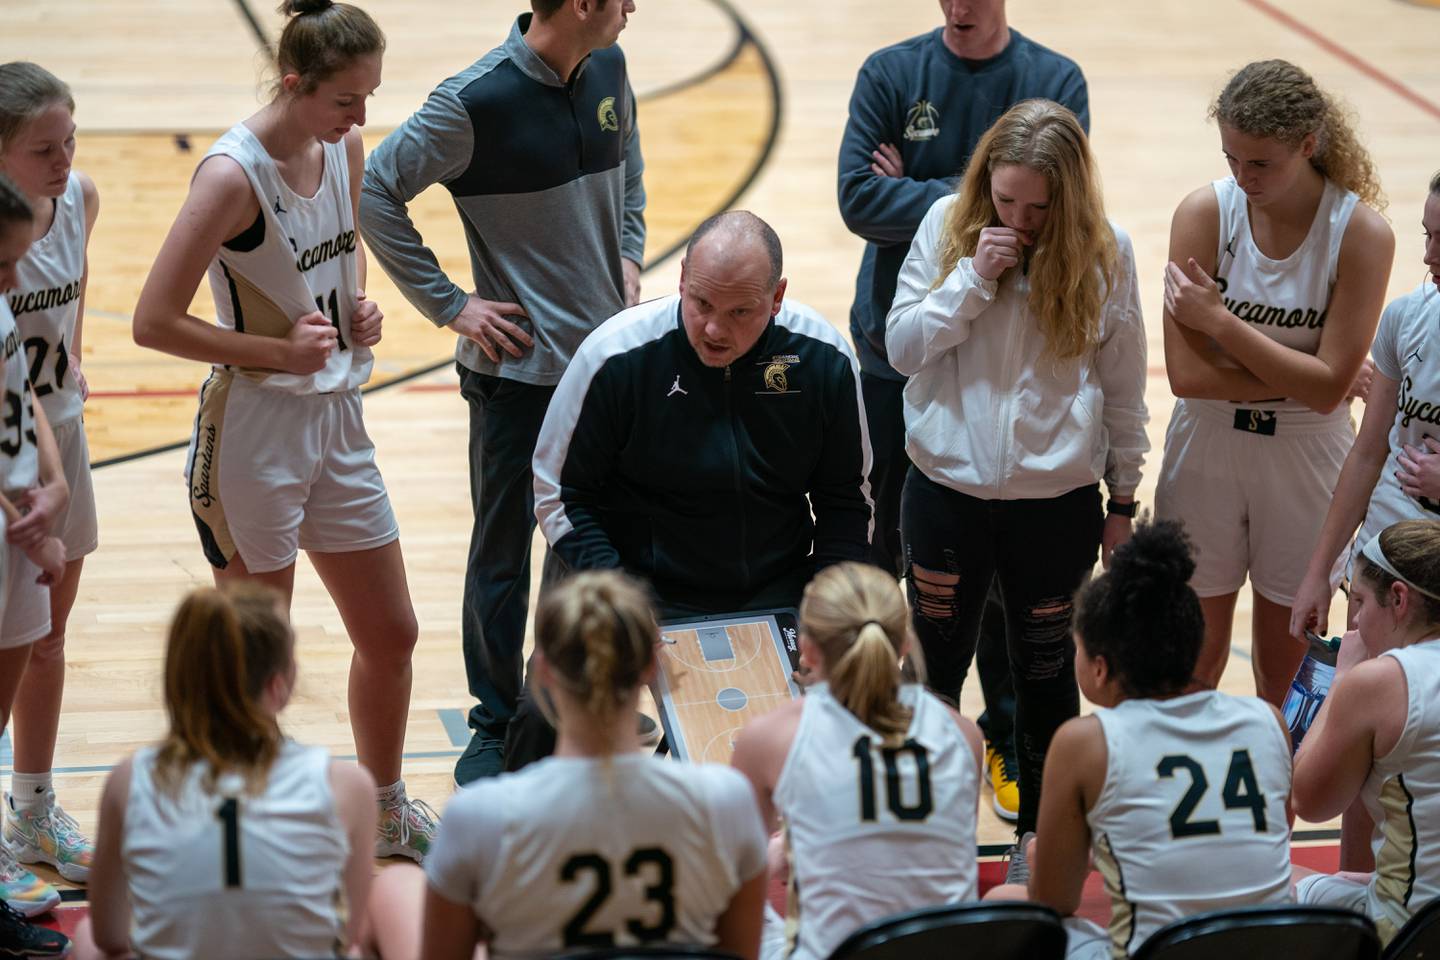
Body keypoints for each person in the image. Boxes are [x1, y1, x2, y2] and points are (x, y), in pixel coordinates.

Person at [131, 0, 433, 860]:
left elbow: (342, 253)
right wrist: (277, 348)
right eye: (346, 98)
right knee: (258, 656)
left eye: (371, 96)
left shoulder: (342, 146)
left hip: (337, 420)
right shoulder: (230, 176)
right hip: (255, 427)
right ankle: (249, 831)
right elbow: (153, 322)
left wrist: (359, 306)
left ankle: (383, 807)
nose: (362, 116)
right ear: (295, 84)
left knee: (393, 633)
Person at [360, 0, 646, 785]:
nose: (633, 8)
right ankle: (495, 720)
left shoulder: (609, 69)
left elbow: (632, 164)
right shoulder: (472, 102)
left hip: (603, 371)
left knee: (579, 546)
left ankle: (552, 707)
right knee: (503, 554)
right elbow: (375, 191)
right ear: (583, 5)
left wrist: (627, 249)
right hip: (516, 379)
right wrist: (454, 305)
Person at [838, 0, 1089, 821]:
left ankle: (1010, 745)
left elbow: (1065, 217)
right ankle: (895, 754)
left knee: (1013, 599)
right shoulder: (890, 71)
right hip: (894, 355)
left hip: (1020, 387)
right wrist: (962, 203)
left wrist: (912, 187)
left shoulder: (1055, 80)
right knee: (899, 561)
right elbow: (855, 202)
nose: (959, 4)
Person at [517, 210, 871, 766]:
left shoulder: (823, 358)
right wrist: (620, 599)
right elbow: (559, 493)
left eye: (740, 312)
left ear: (777, 298)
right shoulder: (616, 355)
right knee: (547, 706)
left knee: (866, 680)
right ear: (681, 278)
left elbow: (848, 502)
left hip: (774, 587)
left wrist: (826, 616)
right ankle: (517, 828)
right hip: (642, 585)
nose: (714, 328)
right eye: (701, 303)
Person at [885, 98, 1148, 840]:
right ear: (984, 187)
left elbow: (1125, 391)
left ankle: (1042, 843)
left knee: (1044, 682)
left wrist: (1123, 499)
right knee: (934, 680)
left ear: (1068, 197)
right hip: (944, 498)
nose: (1022, 220)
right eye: (1006, 201)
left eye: (1039, 207)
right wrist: (970, 280)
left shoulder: (1107, 251)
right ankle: (930, 845)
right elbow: (901, 348)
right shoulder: (944, 227)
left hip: (1053, 507)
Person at [361, 570, 768, 960]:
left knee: (394, 887)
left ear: (542, 672)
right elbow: (739, 952)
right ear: (650, 666)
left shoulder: (480, 814)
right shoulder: (726, 799)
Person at [1156, 59, 1394, 705]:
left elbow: (1324, 388)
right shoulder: (1205, 212)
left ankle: (1273, 812)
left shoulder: (1362, 234)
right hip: (1205, 446)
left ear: (1308, 145)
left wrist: (1219, 323)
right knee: (1191, 673)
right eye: (1232, 158)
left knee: (1282, 680)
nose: (1243, 177)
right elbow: (1186, 376)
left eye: (1261, 163)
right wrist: (1310, 372)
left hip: (1307, 457)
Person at [985, 520, 1293, 959]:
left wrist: (1048, 855)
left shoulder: (1084, 742)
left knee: (1003, 905)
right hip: (1271, 947)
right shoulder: (1268, 719)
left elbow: (1056, 901)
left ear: (1099, 668)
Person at [71, 584, 378, 960]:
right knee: (396, 892)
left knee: (86, 936)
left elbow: (109, 934)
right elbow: (346, 935)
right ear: (278, 687)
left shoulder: (129, 779)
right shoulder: (346, 785)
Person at [730, 561, 983, 960]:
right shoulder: (963, 733)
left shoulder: (770, 737)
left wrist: (788, 850)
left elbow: (737, 877)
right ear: (904, 643)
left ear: (808, 650)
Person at [0, 60, 101, 896]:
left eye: (70, 141)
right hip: (9, 453)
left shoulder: (83, 200)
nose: (63, 161)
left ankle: (31, 811)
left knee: (47, 638)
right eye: (43, 149)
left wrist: (77, 367)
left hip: (59, 438)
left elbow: (73, 301)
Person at [1293, 172, 1440, 638]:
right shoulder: (1405, 317)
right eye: (1428, 234)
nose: (1429, 255)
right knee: (1358, 695)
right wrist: (1321, 571)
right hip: (1386, 547)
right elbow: (1369, 450)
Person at [1292, 520, 1440, 946]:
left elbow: (1308, 800)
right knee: (1347, 877)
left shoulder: (1381, 682)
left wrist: (1342, 678)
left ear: (1398, 598)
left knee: (1246, 884)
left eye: (1358, 601)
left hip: (1413, 933)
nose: (1354, 621)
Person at [0, 171, 74, 958]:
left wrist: (51, 486)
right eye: (3, 265)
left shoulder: (0, 298)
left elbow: (24, 401)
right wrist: (30, 517)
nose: (17, 281)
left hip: (22, 528)